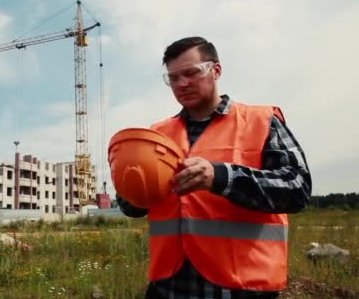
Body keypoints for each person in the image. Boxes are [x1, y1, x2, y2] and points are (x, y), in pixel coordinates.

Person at [116, 37, 312, 299]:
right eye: (173, 78)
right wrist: (135, 188)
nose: (182, 83)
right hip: (170, 285)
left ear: (215, 70)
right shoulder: (156, 135)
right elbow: (131, 207)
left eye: (191, 73)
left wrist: (222, 177)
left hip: (242, 287)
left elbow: (297, 188)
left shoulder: (261, 122)